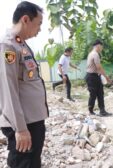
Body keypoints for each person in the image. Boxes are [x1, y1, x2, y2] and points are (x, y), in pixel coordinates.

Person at [0, 1, 48, 167]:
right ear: (26, 19)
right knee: (24, 164)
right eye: (39, 24)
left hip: (32, 121)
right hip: (23, 124)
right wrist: (20, 129)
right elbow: (8, 90)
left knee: (33, 162)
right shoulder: (8, 45)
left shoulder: (21, 44)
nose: (39, 29)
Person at [85, 40, 112, 116]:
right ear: (98, 46)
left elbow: (98, 69)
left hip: (94, 76)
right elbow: (99, 67)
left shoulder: (91, 53)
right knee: (93, 94)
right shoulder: (95, 54)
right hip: (92, 77)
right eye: (101, 47)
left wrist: (101, 76)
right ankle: (91, 111)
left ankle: (102, 111)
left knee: (100, 93)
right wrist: (106, 77)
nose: (101, 49)